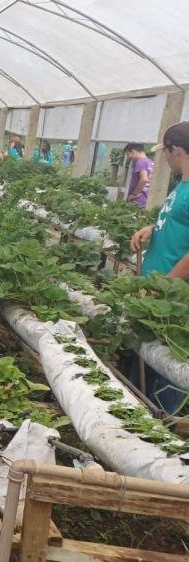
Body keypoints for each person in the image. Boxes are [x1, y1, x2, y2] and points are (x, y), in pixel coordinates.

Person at [129, 122, 189, 413]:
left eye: (165, 151)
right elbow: (180, 223)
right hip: (155, 288)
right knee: (142, 361)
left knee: (167, 362)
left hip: (171, 296)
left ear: (175, 150)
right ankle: (136, 412)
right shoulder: (182, 185)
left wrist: (163, 287)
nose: (164, 158)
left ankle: (158, 428)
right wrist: (152, 228)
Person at [124, 143, 153, 208]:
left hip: (138, 199)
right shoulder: (150, 162)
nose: (129, 157)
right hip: (146, 199)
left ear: (133, 151)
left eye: (128, 154)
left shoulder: (140, 162)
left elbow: (144, 179)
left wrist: (134, 194)